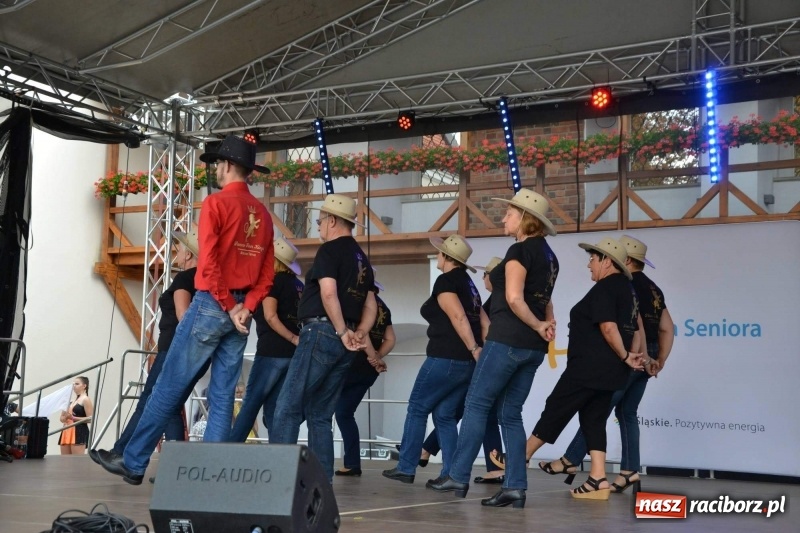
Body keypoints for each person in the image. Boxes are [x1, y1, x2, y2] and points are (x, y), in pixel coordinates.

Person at [96, 134, 275, 485]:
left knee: (168, 386)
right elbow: (267, 275)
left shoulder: (216, 204)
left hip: (214, 304)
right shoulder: (264, 215)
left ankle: (134, 462)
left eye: (217, 165)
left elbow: (207, 267)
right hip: (241, 314)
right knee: (222, 396)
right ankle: (208, 475)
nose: (216, 171)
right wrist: (245, 307)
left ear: (226, 166)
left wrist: (227, 306)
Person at [429, 189, 558, 509]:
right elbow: (543, 297)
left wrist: (540, 324)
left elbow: (515, 298)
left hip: (508, 340)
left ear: (526, 220)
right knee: (510, 415)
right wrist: (546, 324)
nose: (504, 217)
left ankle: (457, 475)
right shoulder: (549, 256)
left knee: (475, 404)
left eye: (510, 213)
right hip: (532, 348)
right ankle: (515, 486)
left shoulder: (519, 250)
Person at [538, 235, 673, 494]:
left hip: (631, 352)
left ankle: (571, 460)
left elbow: (636, 326)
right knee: (626, 413)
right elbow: (666, 327)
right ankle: (629, 470)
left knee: (597, 408)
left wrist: (637, 355)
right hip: (648, 354)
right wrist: (659, 359)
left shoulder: (627, 285)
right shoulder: (655, 289)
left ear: (628, 260)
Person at [523, 237, 644, 501]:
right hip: (611, 372)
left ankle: (520, 457)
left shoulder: (606, 288)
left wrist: (626, 356)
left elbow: (608, 327)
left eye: (593, 258)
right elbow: (635, 328)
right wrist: (631, 356)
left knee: (556, 407)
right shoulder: (628, 290)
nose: (589, 264)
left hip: (589, 368)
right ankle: (598, 478)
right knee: (593, 418)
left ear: (607, 262)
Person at [270, 194, 377, 483]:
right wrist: (358, 333)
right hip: (344, 340)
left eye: (319, 221)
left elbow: (328, 293)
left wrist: (343, 331)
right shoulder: (362, 260)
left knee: (287, 406)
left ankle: (276, 481)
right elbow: (371, 307)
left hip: (321, 332)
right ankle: (321, 484)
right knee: (319, 414)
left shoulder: (330, 251)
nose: (318, 226)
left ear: (332, 221)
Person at [90, 229, 204, 466]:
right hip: (187, 351)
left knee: (149, 399)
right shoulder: (203, 282)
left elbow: (184, 317)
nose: (177, 252)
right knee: (170, 406)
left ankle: (122, 451)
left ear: (189, 254)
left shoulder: (185, 279)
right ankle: (174, 464)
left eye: (180, 249)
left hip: (173, 349)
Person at [383, 234, 489, 486]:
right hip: (465, 362)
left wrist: (475, 348)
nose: (438, 256)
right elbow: (484, 321)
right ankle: (451, 474)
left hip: (445, 356)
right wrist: (480, 352)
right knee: (444, 415)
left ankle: (407, 466)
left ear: (447, 258)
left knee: (417, 407)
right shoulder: (470, 285)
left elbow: (458, 317)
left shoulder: (446, 281)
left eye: (440, 253)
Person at [417, 256, 506, 484]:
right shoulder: (500, 301)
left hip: (487, 363)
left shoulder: (497, 302)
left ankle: (492, 468)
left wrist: (479, 353)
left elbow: (484, 330)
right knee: (454, 412)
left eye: (486, 274)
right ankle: (427, 449)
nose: (484, 278)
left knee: (472, 413)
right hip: (489, 362)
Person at [229, 237, 304, 443]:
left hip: (271, 351)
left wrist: (291, 337)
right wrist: (295, 339)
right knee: (274, 407)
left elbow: (270, 316)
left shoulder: (272, 282)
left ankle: (228, 451)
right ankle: (277, 456)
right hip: (291, 355)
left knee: (251, 404)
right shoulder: (299, 285)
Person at [334, 270, 395, 477]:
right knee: (344, 413)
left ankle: (348, 463)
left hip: (352, 364)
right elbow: (391, 339)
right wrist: (378, 357)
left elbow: (363, 332)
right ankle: (352, 463)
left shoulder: (360, 303)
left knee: (325, 407)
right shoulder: (384, 308)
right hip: (368, 372)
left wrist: (372, 356)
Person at [59, 376, 93, 455]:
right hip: (66, 430)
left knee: (76, 461)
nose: (74, 386)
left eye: (77, 384)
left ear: (84, 386)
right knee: (64, 461)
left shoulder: (85, 399)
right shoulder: (70, 400)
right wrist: (64, 418)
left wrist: (73, 417)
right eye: (73, 384)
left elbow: (91, 419)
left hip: (79, 431)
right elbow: (61, 418)